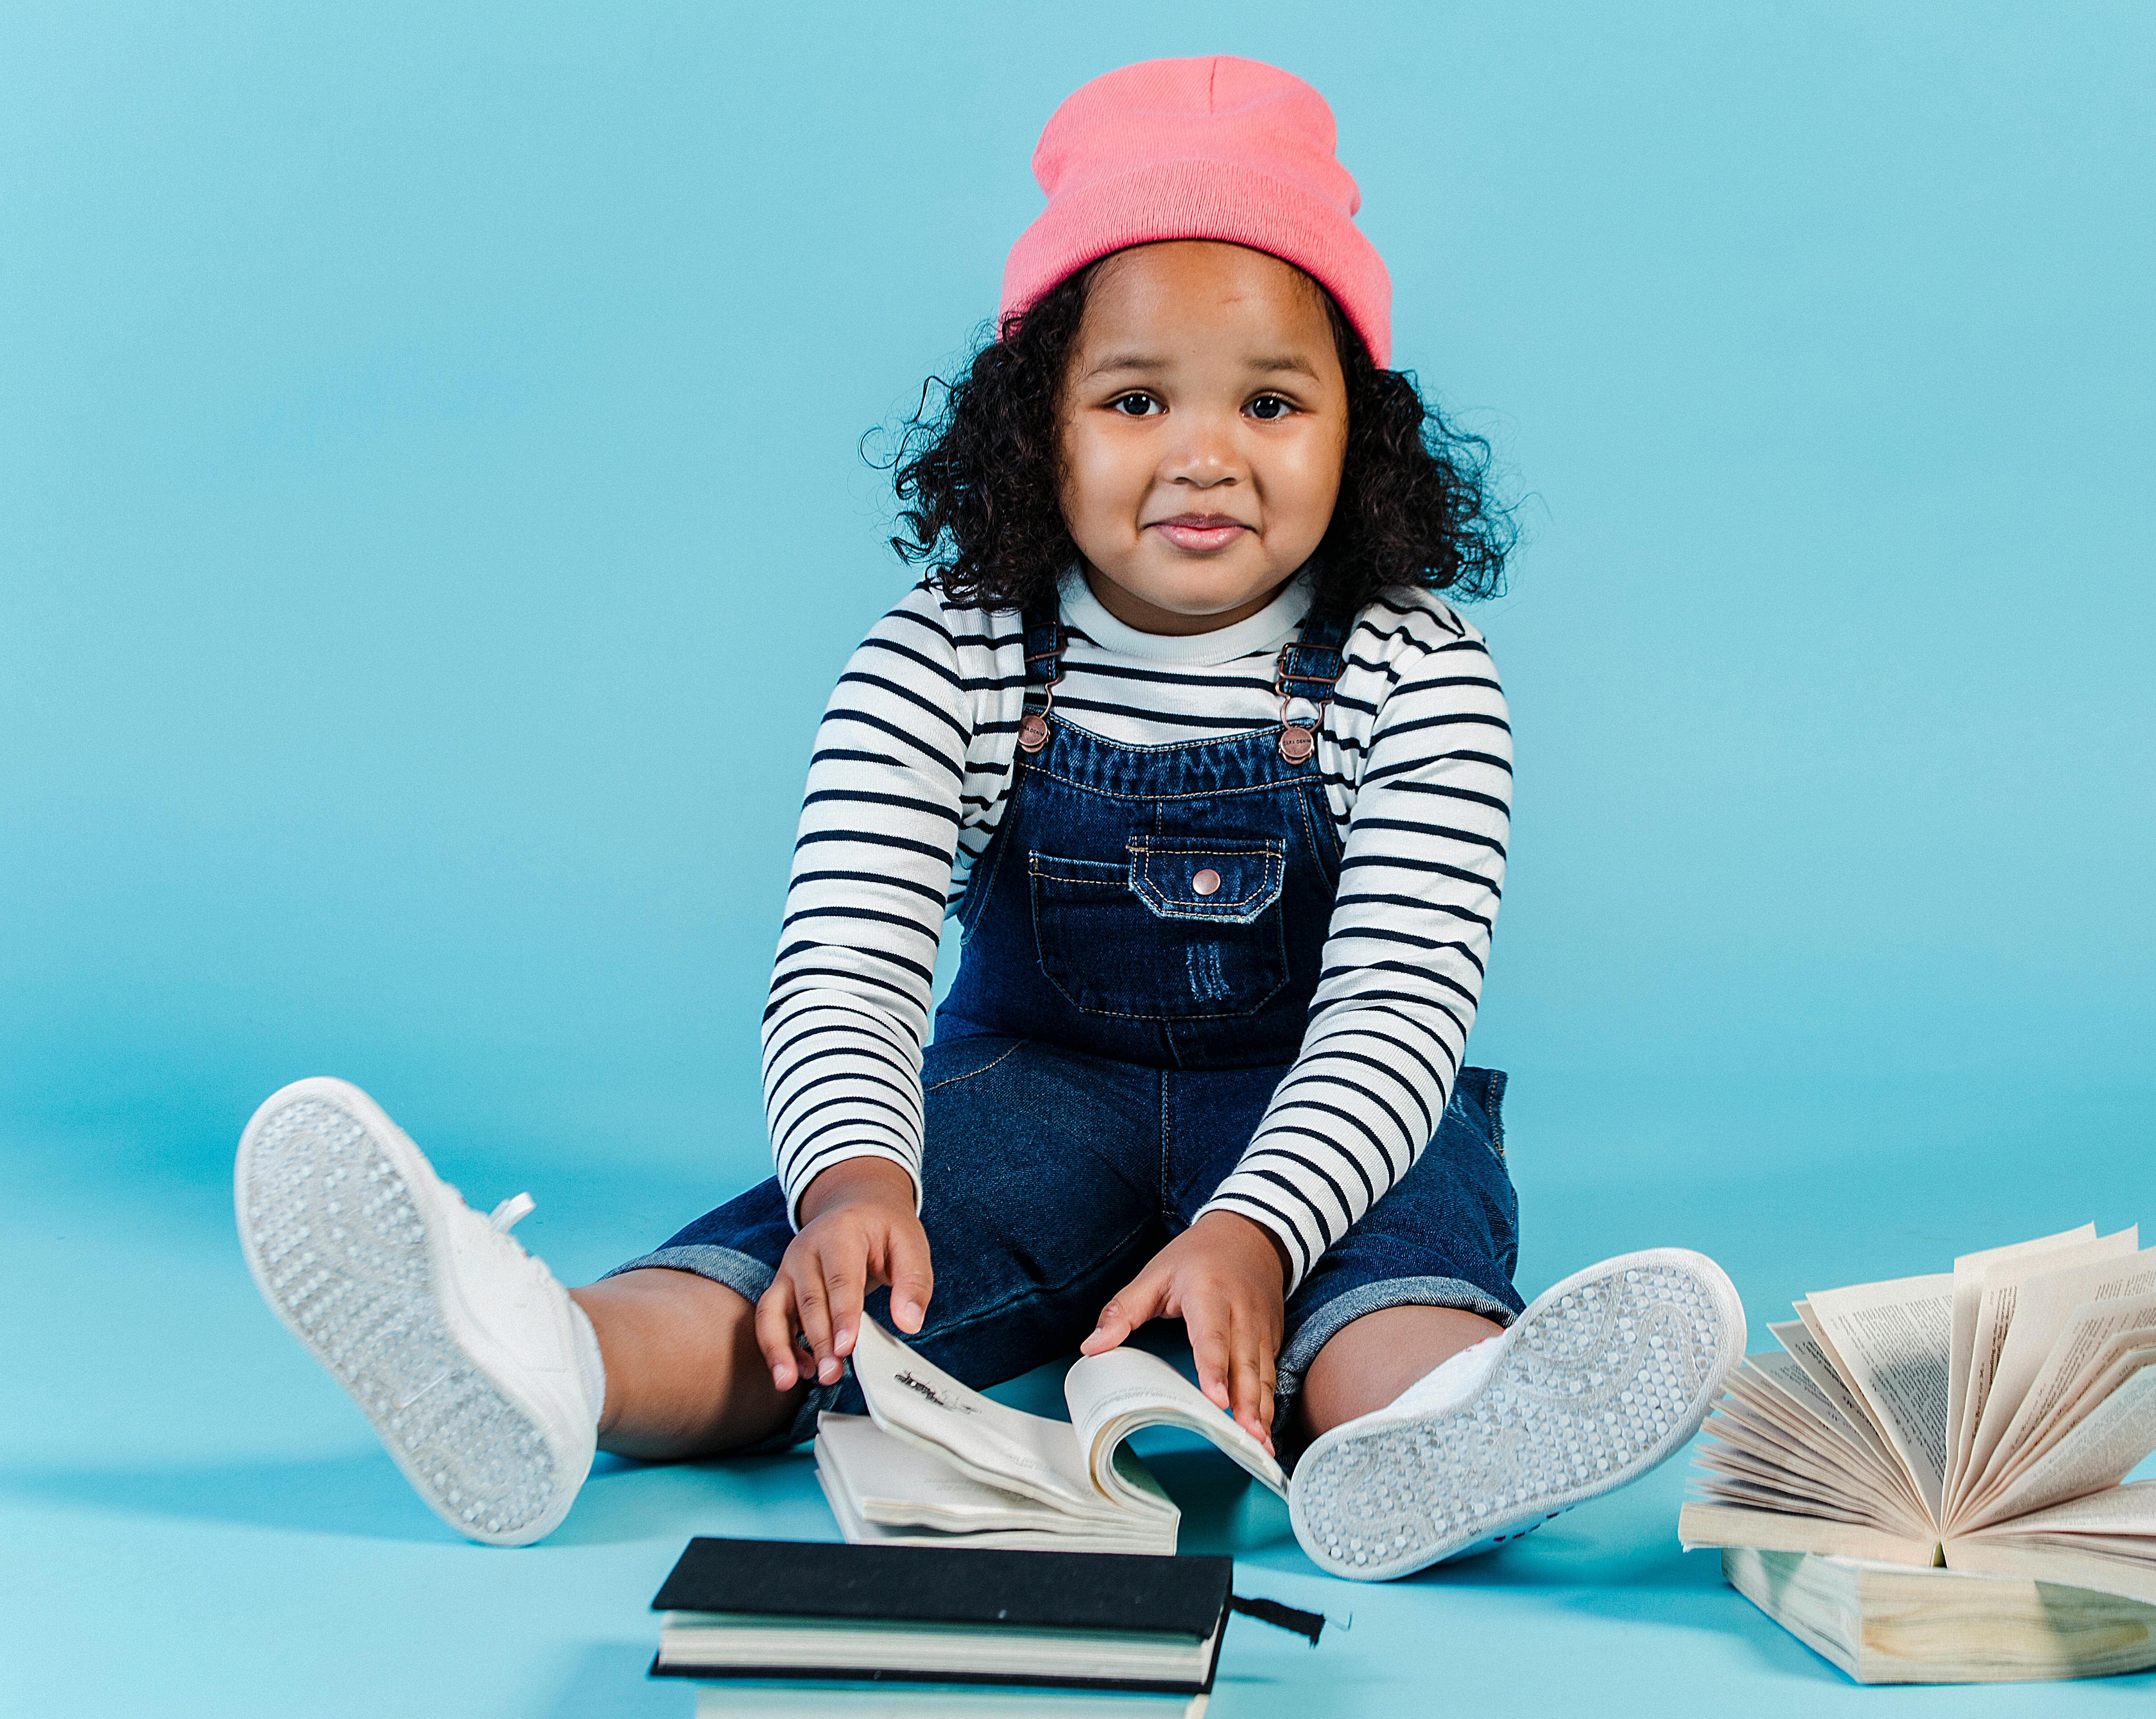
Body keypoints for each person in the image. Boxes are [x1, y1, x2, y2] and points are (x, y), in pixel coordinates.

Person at [232, 55, 1745, 1582]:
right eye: (1137, 398)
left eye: (1272, 402)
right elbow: (852, 948)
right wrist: (855, 1177)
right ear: (1040, 429)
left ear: (1360, 429)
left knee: (1392, 1284)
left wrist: (1261, 1230)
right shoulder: (952, 646)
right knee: (808, 1298)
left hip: (1333, 1109)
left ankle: (1446, 1435)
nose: (1206, 453)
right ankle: (544, 1362)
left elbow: (1398, 1004)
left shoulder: (1414, 667)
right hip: (1036, 1100)